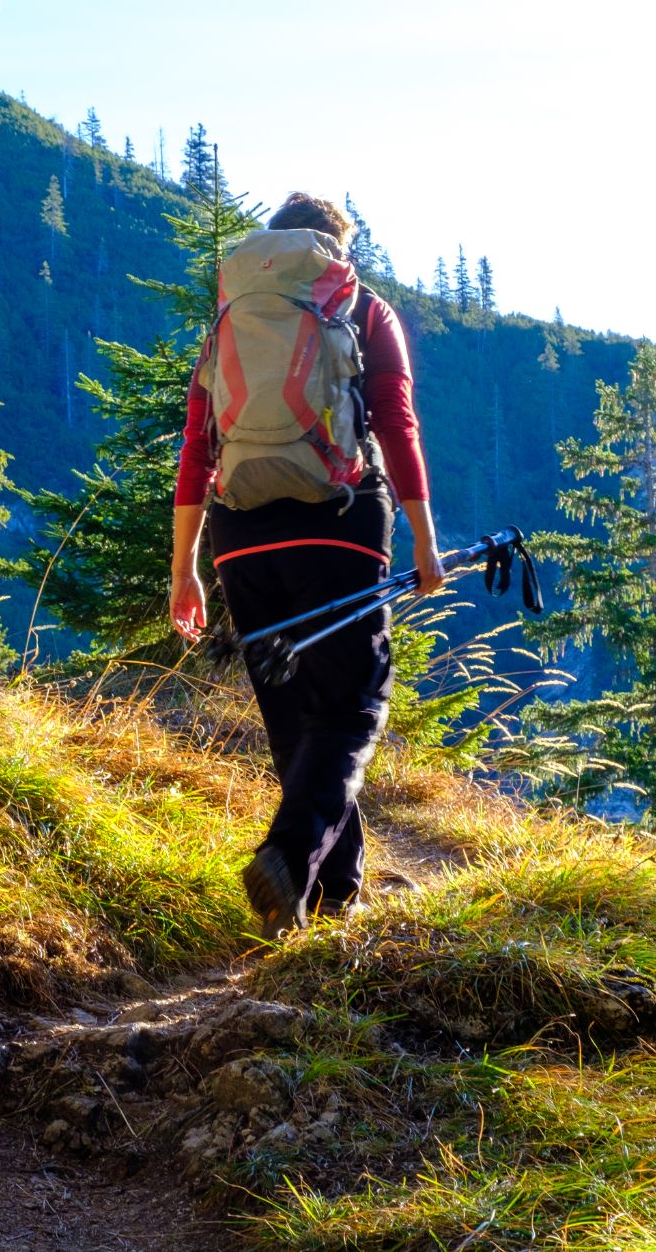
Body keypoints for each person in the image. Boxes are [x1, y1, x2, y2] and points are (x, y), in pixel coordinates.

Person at [168, 192, 443, 938]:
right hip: (339, 521)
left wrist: (184, 569)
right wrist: (423, 536)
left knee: (293, 716)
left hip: (240, 532)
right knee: (352, 705)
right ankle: (289, 856)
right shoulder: (361, 307)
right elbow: (395, 419)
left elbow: (197, 444)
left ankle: (329, 896)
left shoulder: (229, 318)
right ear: (334, 249)